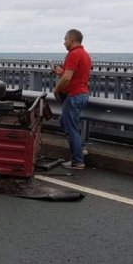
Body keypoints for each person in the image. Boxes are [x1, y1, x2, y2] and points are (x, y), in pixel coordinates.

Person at [52, 29, 91, 169]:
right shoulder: (85, 54)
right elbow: (73, 75)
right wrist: (61, 72)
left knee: (71, 128)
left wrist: (56, 90)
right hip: (82, 93)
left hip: (74, 95)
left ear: (72, 39)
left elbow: (68, 78)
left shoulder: (73, 54)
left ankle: (77, 161)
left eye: (65, 39)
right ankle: (80, 148)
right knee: (64, 121)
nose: (64, 42)